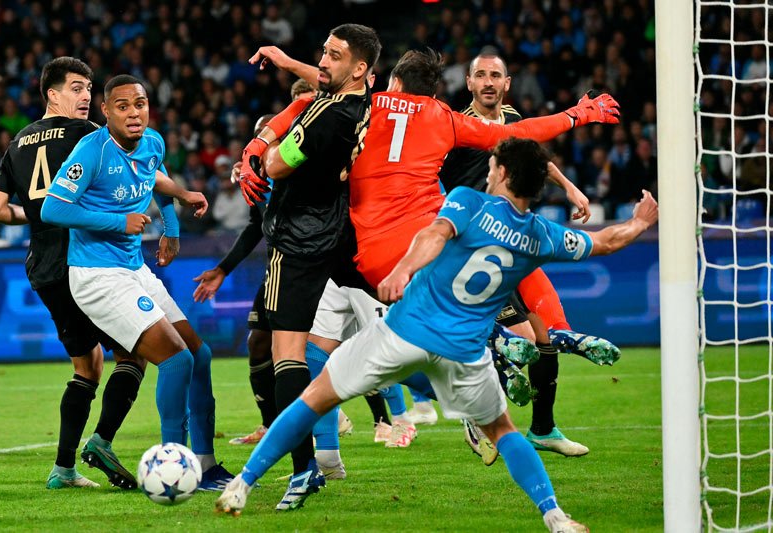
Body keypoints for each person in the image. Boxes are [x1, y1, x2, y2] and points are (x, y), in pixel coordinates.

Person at [216, 138, 659, 533]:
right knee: (504, 430)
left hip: (404, 331)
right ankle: (555, 517)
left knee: (314, 398)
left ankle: (241, 485)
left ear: (503, 173)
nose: (488, 168)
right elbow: (605, 241)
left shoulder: (468, 201)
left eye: (493, 164)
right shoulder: (543, 235)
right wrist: (640, 222)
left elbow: (434, 233)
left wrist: (404, 269)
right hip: (464, 353)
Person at [244, 47, 620, 456]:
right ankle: (509, 354)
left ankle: (316, 459)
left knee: (363, 340)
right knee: (510, 325)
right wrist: (576, 115)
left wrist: (263, 133)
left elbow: (326, 87)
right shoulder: (448, 118)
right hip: (448, 237)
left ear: (394, 82)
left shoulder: (367, 104)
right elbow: (525, 133)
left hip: (373, 246)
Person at [40, 74, 233, 492]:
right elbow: (53, 209)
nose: (134, 113)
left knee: (200, 357)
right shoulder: (91, 150)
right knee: (177, 359)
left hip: (135, 269)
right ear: (106, 112)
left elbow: (157, 179)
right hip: (97, 276)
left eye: (140, 104)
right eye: (123, 106)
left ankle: (205, 463)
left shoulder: (153, 142)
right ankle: (175, 470)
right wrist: (118, 221)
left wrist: (175, 215)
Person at [439, 50, 622, 458]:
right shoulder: (452, 126)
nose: (488, 82)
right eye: (480, 75)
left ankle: (543, 428)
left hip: (513, 243)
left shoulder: (514, 121)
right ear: (468, 82)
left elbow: (536, 155)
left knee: (543, 341)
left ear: (507, 83)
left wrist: (569, 187)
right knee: (522, 337)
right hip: (473, 252)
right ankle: (476, 406)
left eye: (496, 76)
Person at [234, 24, 381, 510]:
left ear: (358, 68)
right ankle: (491, 343)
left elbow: (276, 166)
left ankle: (303, 471)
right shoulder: (365, 99)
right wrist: (286, 61)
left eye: (333, 55)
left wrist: (260, 153)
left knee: (287, 357)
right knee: (397, 309)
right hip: (340, 228)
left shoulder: (327, 119)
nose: (322, 61)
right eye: (323, 50)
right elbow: (317, 85)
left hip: (297, 239)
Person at [0, 57, 149, 490]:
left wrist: (35, 215)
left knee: (87, 367)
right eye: (76, 88)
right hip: (89, 262)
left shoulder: (17, 142)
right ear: (52, 94)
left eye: (89, 88)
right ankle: (102, 441)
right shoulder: (92, 136)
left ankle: (63, 470)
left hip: (43, 268)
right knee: (134, 354)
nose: (86, 97)